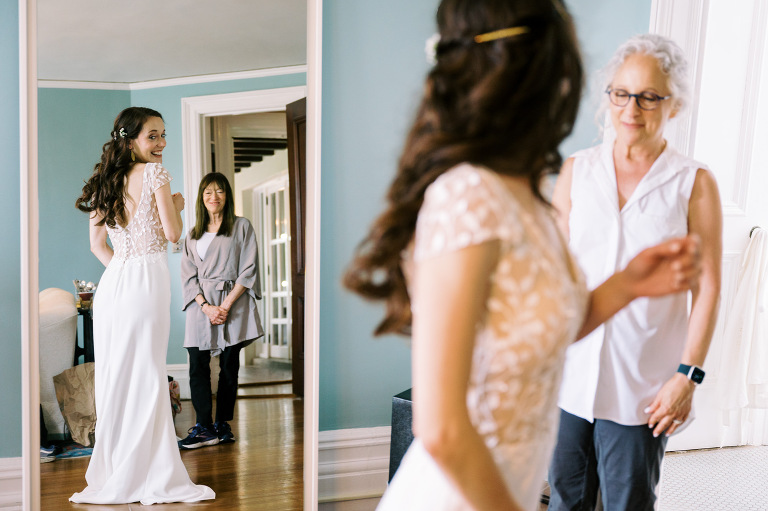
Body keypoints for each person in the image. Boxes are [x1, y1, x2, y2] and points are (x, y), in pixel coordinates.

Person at [343, 2, 701, 510]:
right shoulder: (468, 196)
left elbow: (539, 332)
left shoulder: (526, 188)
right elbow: (443, 428)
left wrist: (628, 284)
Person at [548, 34, 722, 511]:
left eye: (649, 96)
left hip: (643, 385)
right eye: (622, 93)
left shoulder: (693, 182)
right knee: (565, 499)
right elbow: (553, 273)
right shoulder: (576, 170)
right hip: (570, 375)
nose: (632, 108)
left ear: (675, 103)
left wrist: (688, 376)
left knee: (629, 503)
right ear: (609, 98)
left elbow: (707, 289)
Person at [71, 107, 214, 504]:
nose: (161, 143)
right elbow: (172, 234)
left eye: (163, 135)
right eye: (153, 136)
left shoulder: (104, 181)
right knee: (147, 372)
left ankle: (118, 469)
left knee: (118, 375)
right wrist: (178, 205)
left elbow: (97, 246)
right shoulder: (155, 175)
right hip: (148, 279)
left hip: (114, 283)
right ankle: (148, 470)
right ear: (129, 139)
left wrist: (123, 267)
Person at [178, 172, 264, 449]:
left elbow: (248, 269)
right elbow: (188, 276)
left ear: (227, 195)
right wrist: (206, 307)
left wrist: (224, 307)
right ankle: (203, 426)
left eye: (219, 191)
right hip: (200, 306)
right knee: (197, 366)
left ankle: (222, 423)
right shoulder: (192, 234)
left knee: (229, 366)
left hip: (233, 303)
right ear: (201, 199)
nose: (213, 197)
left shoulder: (241, 227)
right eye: (207, 193)